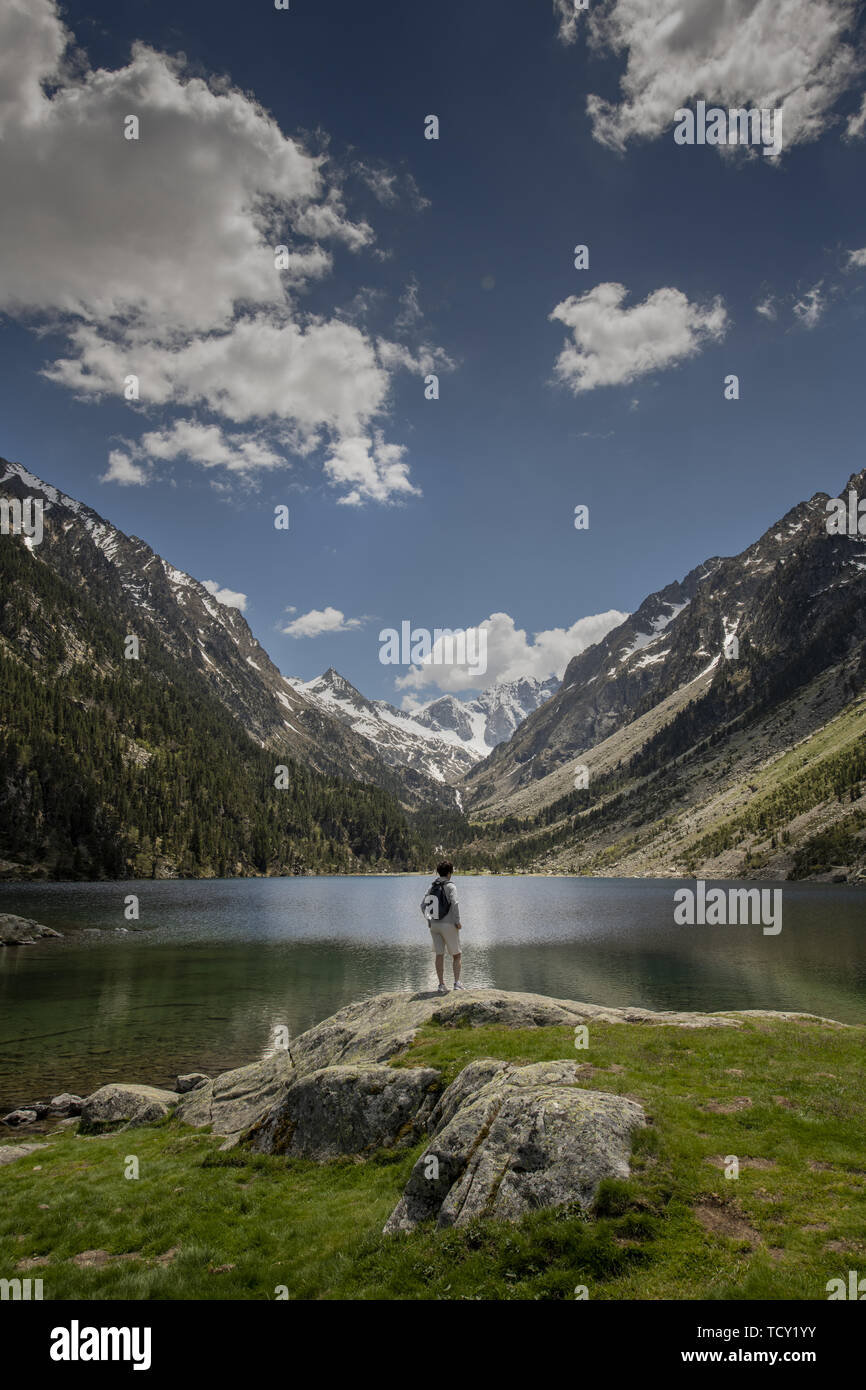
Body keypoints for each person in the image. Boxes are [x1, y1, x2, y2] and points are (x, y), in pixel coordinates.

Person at [421, 859, 465, 994]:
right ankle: (457, 983)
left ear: (438, 872)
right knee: (456, 955)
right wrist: (457, 921)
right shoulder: (451, 886)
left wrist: (429, 920)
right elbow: (455, 903)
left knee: (439, 954)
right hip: (448, 924)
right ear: (450, 872)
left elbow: (423, 905)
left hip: (434, 925)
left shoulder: (432, 886)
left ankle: (441, 985)